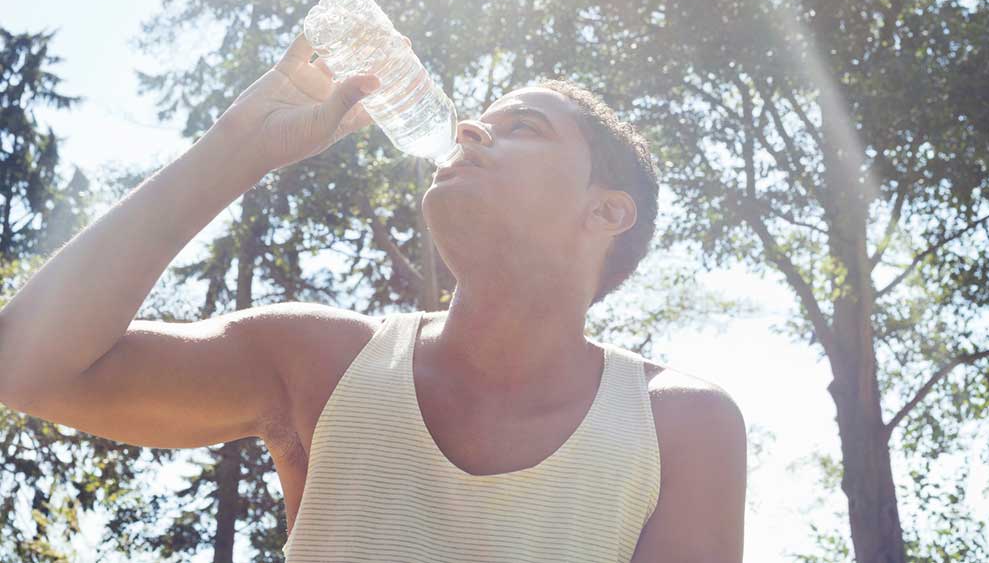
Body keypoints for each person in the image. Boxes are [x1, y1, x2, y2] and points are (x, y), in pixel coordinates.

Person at [0, 31, 747, 561]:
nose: (471, 130)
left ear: (607, 211)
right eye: (480, 118)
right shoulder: (319, 364)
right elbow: (29, 368)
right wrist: (240, 146)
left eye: (522, 126)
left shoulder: (678, 426)